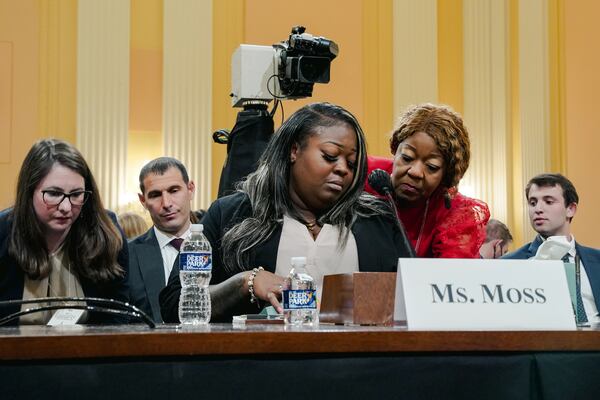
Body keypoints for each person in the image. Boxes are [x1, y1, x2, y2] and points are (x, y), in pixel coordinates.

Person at [160, 102, 412, 322]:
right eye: (330, 156)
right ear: (294, 150)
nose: (343, 169)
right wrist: (243, 284)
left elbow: (411, 302)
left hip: (361, 368)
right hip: (264, 370)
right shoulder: (232, 214)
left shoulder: (377, 220)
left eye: (352, 163)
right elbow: (173, 304)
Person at [0, 139, 129, 325]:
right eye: (53, 193)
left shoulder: (106, 233)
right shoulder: (3, 232)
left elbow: (118, 319)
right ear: (28, 192)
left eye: (76, 194)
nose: (66, 207)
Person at [366, 103, 490, 258]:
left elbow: (450, 276)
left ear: (446, 176)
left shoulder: (454, 215)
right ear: (395, 150)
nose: (415, 172)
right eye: (407, 157)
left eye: (432, 167)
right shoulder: (362, 174)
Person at [504, 173, 600, 322]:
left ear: (571, 209)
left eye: (548, 201)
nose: (538, 209)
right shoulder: (510, 264)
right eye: (533, 203)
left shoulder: (597, 260)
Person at [128, 157, 198, 323]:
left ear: (190, 189)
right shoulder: (126, 256)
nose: (166, 203)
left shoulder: (219, 248)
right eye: (155, 195)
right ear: (143, 201)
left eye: (174, 191)